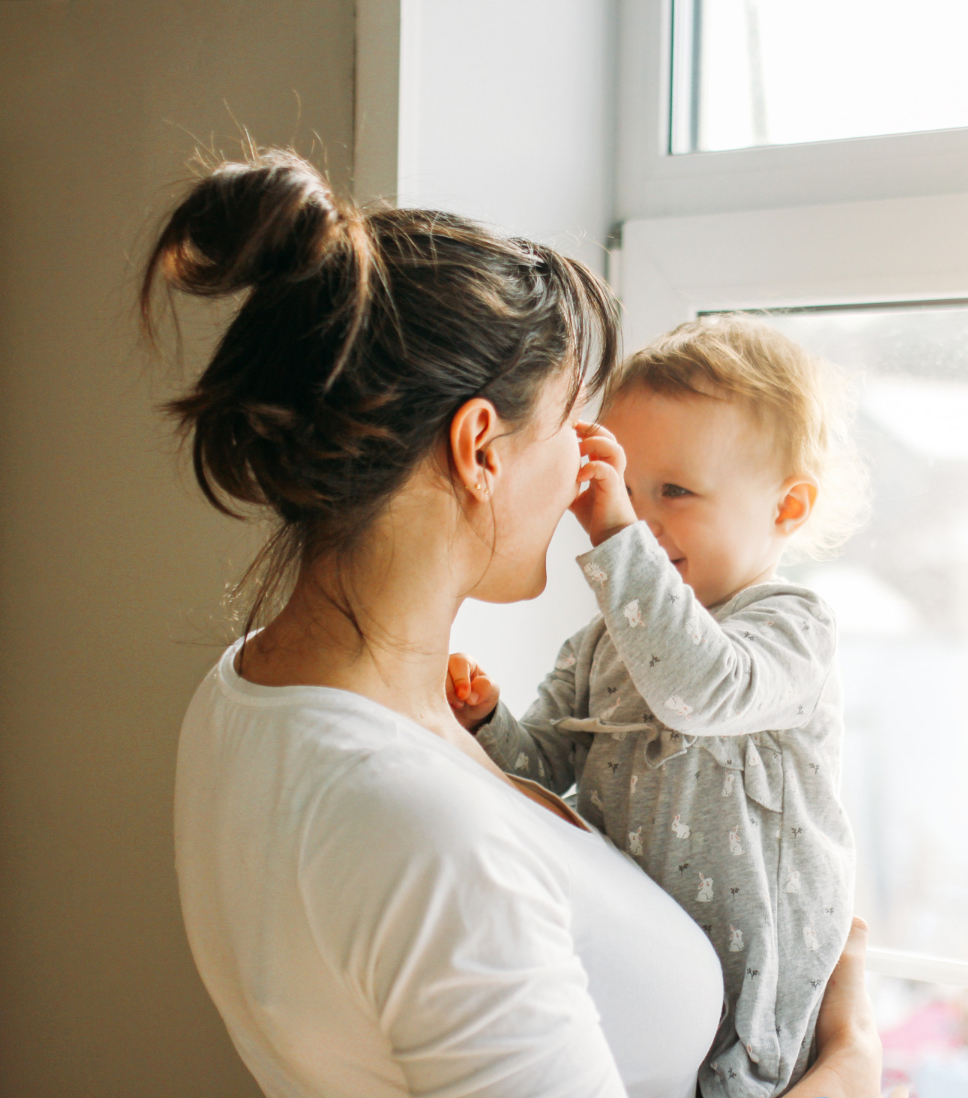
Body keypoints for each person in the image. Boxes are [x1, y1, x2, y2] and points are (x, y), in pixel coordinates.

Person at [146, 147, 880, 1098]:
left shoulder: (247, 689)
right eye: (580, 425)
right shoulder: (422, 831)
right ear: (480, 450)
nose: (594, 473)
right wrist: (853, 1068)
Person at [447, 317, 866, 1098]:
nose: (638, 518)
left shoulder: (790, 627)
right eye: (623, 488)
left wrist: (612, 531)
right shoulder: (606, 640)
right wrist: (487, 723)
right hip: (647, 976)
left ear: (787, 508)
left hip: (760, 997)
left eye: (674, 491)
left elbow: (700, 688)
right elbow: (542, 771)